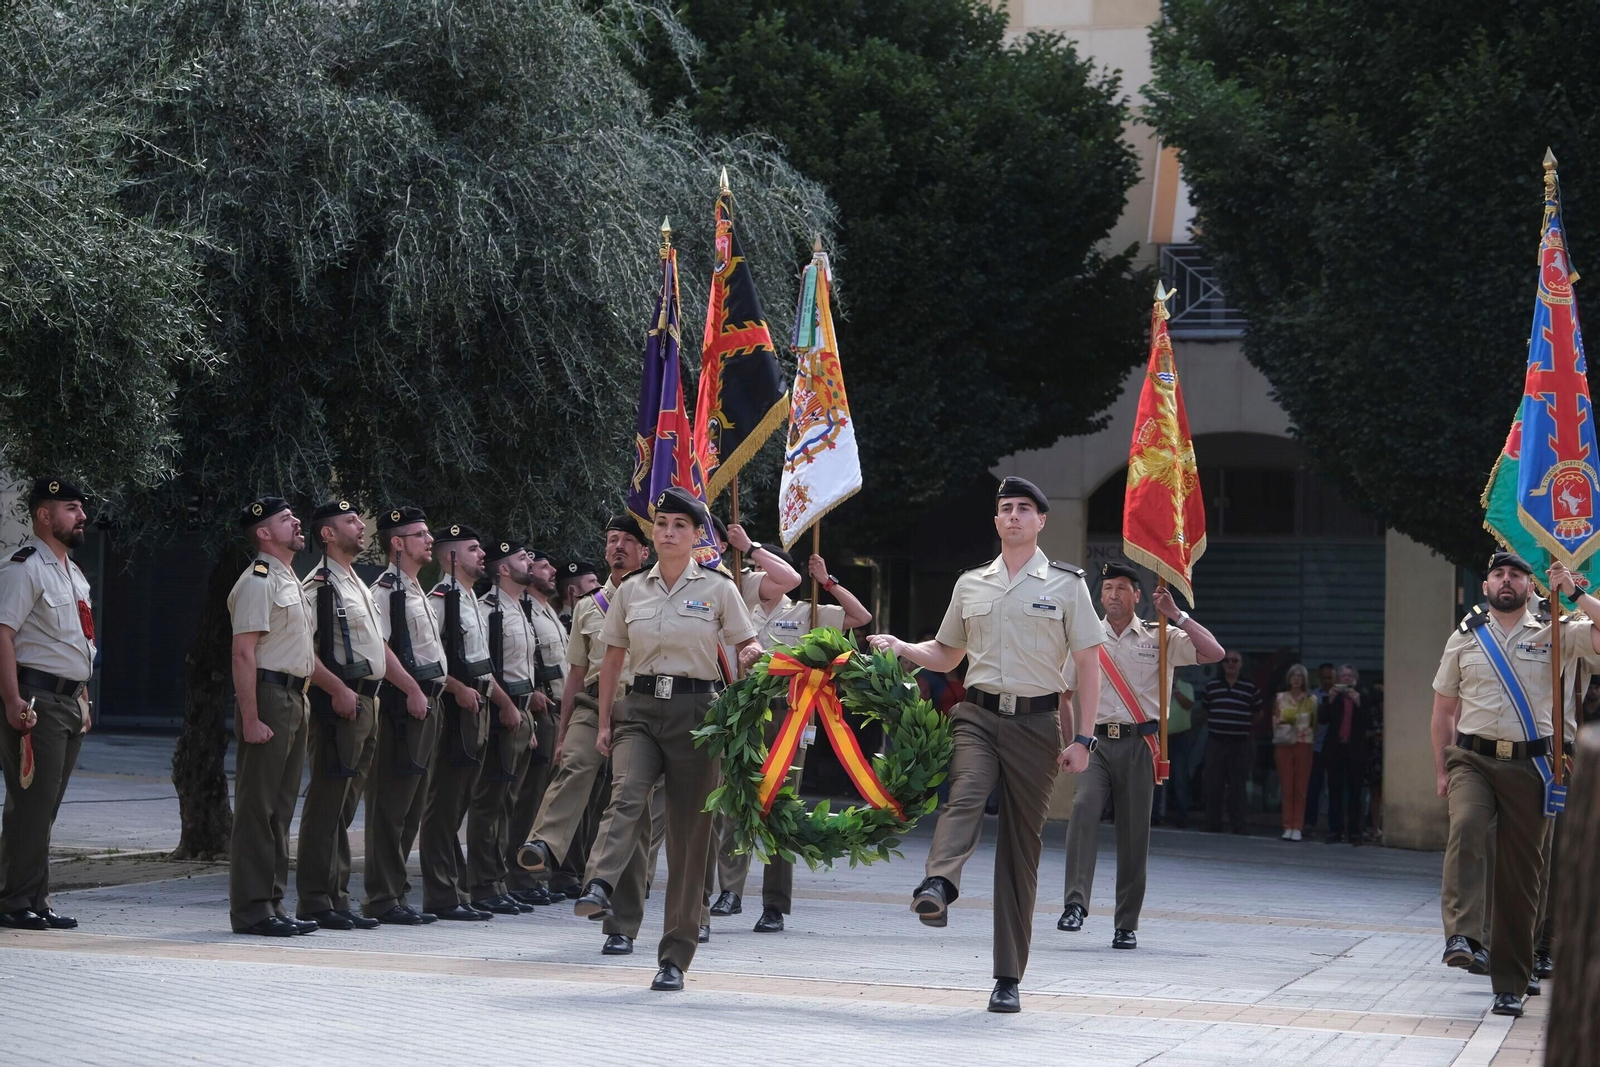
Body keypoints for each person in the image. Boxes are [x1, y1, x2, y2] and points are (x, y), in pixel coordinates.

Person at [868, 476, 1104, 1014]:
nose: (1014, 516)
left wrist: (1083, 738)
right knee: (967, 789)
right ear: (996, 521)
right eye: (1005, 509)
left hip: (1038, 724)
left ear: (1041, 521)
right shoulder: (971, 583)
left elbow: (1089, 665)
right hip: (977, 713)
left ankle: (1007, 977)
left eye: (1024, 509)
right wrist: (903, 645)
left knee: (1021, 850)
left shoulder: (1067, 585)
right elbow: (948, 654)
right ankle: (938, 883)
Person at [574, 487, 762, 992]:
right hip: (638, 709)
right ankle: (599, 882)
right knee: (626, 795)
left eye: (680, 525)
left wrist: (749, 656)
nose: (669, 533)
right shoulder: (632, 590)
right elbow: (612, 656)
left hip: (698, 713)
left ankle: (675, 956)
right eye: (662, 525)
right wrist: (608, 720)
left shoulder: (720, 588)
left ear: (697, 534)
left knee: (688, 838)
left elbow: (747, 643)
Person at [1432, 552, 1600, 1018]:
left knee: (1521, 880)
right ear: (1484, 586)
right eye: (1498, 575)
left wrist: (1576, 592)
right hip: (1473, 759)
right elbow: (1443, 711)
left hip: (1532, 767)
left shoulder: (1558, 634)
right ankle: (1464, 936)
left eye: (1517, 575)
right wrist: (1442, 770)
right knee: (1466, 826)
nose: (1506, 581)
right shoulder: (1464, 639)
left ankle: (1510, 982)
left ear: (1531, 587)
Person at [1058, 561, 1224, 949]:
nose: (1113, 594)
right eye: (1108, 588)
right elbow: (1064, 694)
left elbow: (1214, 652)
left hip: (1140, 744)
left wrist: (1178, 615)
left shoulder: (1160, 636)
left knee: (1134, 833)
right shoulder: (1085, 639)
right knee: (1083, 808)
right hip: (1094, 743)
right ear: (1100, 596)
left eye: (1122, 588)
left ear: (1137, 596)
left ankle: (1126, 923)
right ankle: (1075, 904)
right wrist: (1071, 742)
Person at [518, 514, 664, 955]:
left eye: (626, 541)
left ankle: (619, 922)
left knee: (629, 811)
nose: (616, 547)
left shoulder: (659, 597)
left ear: (645, 551)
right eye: (611, 540)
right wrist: (561, 735)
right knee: (576, 763)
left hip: (640, 707)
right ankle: (545, 841)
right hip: (590, 704)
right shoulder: (589, 605)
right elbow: (576, 676)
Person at [708, 549, 872, 933]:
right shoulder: (736, 606)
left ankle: (774, 904)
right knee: (735, 800)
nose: (754, 573)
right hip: (743, 713)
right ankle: (729, 890)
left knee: (781, 808)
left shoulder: (807, 610)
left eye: (760, 567)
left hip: (790, 716)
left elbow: (860, 617)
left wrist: (828, 581)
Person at [226, 497, 351, 937]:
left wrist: (336, 688)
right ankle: (252, 909)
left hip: (295, 697)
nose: (297, 522)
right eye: (285, 519)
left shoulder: (289, 580)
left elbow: (303, 656)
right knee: (258, 809)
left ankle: (273, 903)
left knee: (279, 810)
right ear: (262, 532)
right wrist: (251, 717)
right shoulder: (258, 580)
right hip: (269, 697)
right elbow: (243, 652)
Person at [0, 478, 96, 931]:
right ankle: (13, 900)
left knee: (47, 806)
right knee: (30, 803)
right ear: (45, 515)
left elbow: (80, 641)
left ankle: (35, 898)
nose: (81, 516)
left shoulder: (72, 572)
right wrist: (11, 698)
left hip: (69, 700)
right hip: (35, 700)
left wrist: (84, 698)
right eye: (72, 508)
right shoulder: (24, 568)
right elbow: (4, 634)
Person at [420, 524, 520, 921]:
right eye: (473, 549)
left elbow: (483, 665)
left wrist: (503, 703)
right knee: (443, 803)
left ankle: (457, 889)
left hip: (476, 707)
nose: (483, 555)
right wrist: (458, 688)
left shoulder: (471, 601)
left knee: (459, 801)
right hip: (455, 708)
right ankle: (442, 894)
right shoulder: (441, 599)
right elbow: (430, 661)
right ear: (452, 557)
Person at [295, 500, 385, 931]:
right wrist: (337, 690)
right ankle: (315, 898)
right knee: (328, 801)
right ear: (327, 534)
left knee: (345, 806)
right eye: (350, 521)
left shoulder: (356, 583)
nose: (361, 526)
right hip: (341, 703)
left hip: (368, 700)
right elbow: (304, 651)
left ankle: (337, 895)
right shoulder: (319, 586)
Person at [362, 505, 445, 925]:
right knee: (391, 805)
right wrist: (411, 689)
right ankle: (382, 897)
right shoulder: (385, 591)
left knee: (412, 805)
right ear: (397, 543)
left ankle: (396, 892)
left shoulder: (414, 588)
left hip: (428, 701)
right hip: (403, 703)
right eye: (420, 534)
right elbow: (382, 648)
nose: (429, 540)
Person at [464, 539, 539, 915]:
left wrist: (527, 718)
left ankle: (499, 880)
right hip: (500, 713)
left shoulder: (517, 609)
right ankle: (482, 884)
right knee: (489, 803)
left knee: (507, 803)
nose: (530, 562)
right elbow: (487, 668)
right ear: (504, 570)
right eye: (522, 558)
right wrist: (507, 706)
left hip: (520, 713)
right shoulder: (490, 609)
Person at [507, 549, 568, 899]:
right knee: (526, 800)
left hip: (555, 711)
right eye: (544, 565)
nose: (549, 570)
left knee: (542, 800)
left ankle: (531, 872)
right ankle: (517, 875)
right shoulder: (524, 610)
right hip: (537, 712)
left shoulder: (547, 612)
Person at [1201, 650, 1260, 835]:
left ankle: (1239, 824)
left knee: (1238, 785)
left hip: (1240, 743)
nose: (1230, 663)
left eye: (1235, 660)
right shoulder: (1212, 686)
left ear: (1241, 664)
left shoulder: (1250, 687)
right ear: (1221, 664)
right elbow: (1205, 712)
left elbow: (1259, 714)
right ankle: (1213, 824)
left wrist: (1243, 727)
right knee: (1213, 784)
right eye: (1226, 660)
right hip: (1216, 742)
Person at [1320, 665, 1368, 845]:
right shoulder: (1334, 697)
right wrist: (1330, 699)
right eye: (1343, 676)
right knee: (1335, 791)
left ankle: (1355, 832)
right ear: (1338, 679)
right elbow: (1322, 719)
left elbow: (1368, 721)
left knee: (1355, 793)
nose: (1346, 678)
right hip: (1335, 750)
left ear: (1355, 678)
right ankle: (1335, 830)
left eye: (1349, 675)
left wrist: (1359, 702)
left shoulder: (1362, 696)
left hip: (1355, 751)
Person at [1272, 664, 1316, 841]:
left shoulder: (1311, 699)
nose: (1296, 678)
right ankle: (1287, 825)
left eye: (1300, 676)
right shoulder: (1280, 698)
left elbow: (1314, 722)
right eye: (1293, 675)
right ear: (1289, 678)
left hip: (1304, 743)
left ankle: (1297, 826)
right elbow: (1275, 720)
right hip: (1284, 743)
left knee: (1301, 787)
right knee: (1287, 786)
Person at [1151, 673, 1196, 827]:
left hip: (1179, 738)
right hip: (1159, 736)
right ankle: (1155, 815)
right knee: (1157, 777)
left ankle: (1182, 816)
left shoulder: (1186, 686)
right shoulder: (1156, 685)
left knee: (1179, 777)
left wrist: (1175, 689)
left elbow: (1188, 705)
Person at [1303, 662, 1336, 835]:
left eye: (1330, 677)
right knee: (1313, 787)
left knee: (1334, 788)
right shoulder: (1313, 696)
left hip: (1334, 749)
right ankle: (1309, 822)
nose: (1326, 681)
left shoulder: (1340, 696)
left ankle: (1334, 826)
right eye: (1324, 678)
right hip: (1314, 747)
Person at [558, 561, 601, 633]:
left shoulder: (596, 617)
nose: (599, 586)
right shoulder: (560, 626)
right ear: (573, 590)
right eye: (592, 581)